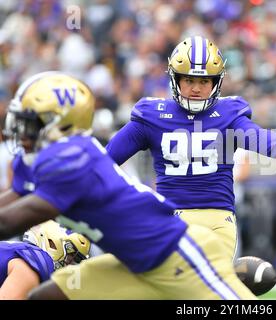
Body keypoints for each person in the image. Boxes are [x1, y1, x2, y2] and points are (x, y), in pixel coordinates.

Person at [0, 71, 256, 300]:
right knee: (49, 295)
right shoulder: (41, 160)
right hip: (133, 263)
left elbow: (8, 222)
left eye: (30, 124)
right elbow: (14, 199)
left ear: (61, 125)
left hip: (177, 255)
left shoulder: (74, 161)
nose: (21, 132)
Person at [106, 36, 276, 264]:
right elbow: (106, 159)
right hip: (170, 217)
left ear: (216, 83)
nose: (196, 89)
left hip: (216, 218)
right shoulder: (153, 115)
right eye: (189, 80)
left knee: (206, 284)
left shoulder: (229, 113)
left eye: (204, 82)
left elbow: (256, 136)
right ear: (175, 79)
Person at [0, 220, 90, 299]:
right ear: (52, 243)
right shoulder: (39, 259)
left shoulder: (17, 249)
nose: (70, 265)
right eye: (71, 257)